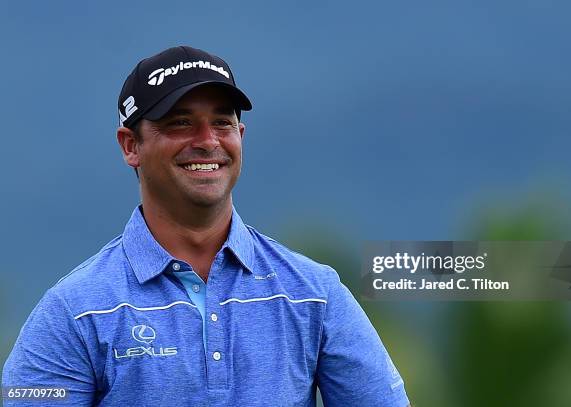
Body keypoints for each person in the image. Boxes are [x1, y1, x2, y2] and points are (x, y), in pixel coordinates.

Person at [2, 45, 410, 407]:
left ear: (241, 135)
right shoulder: (76, 310)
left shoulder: (313, 294)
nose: (207, 140)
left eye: (222, 122)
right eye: (180, 123)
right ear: (131, 146)